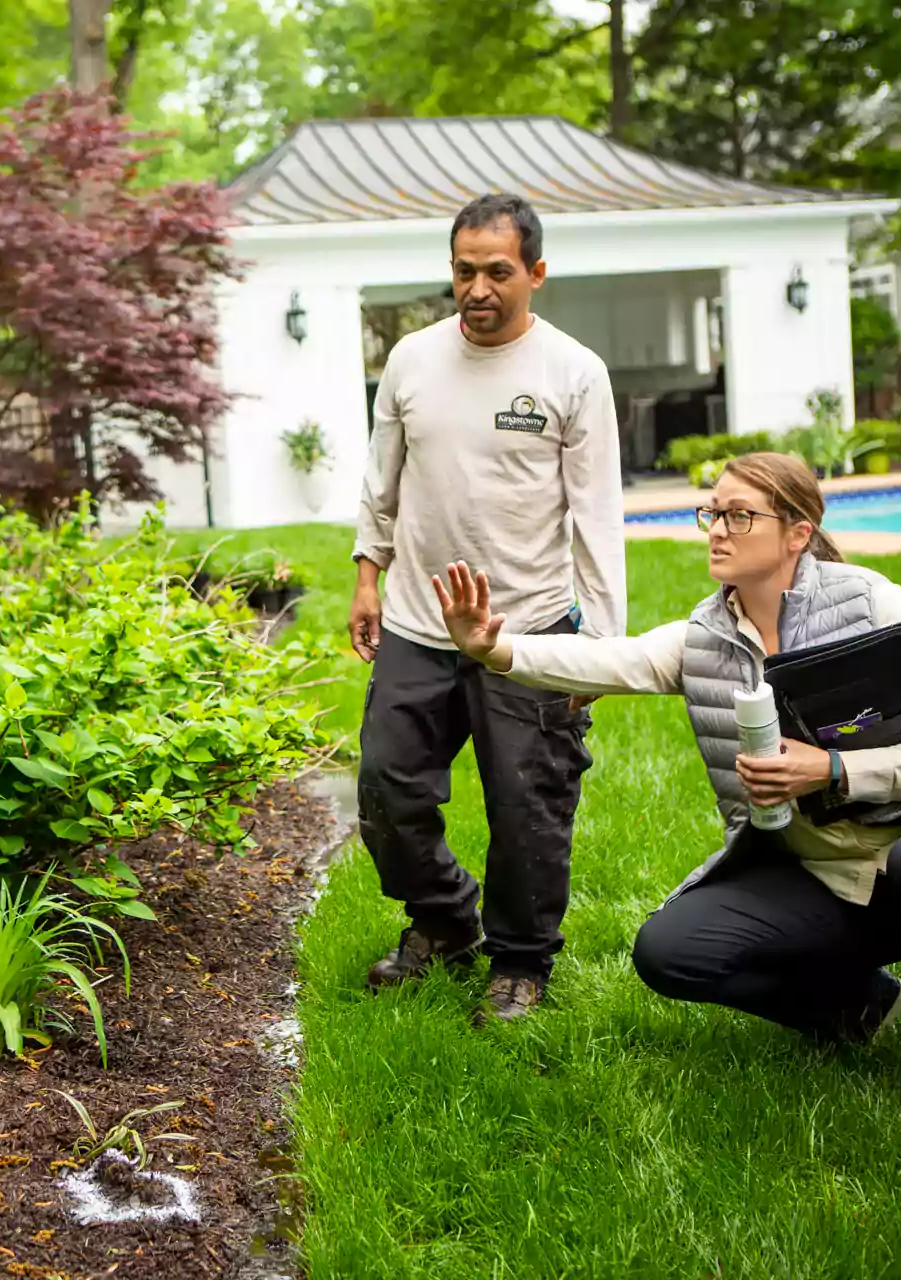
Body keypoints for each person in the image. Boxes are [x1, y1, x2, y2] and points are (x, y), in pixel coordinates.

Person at [432, 452, 901, 1123]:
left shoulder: (874, 605)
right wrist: (494, 648)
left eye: (739, 515)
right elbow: (616, 658)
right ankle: (857, 1005)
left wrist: (835, 771)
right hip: (830, 876)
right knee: (671, 951)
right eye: (711, 512)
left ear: (797, 532)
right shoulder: (707, 638)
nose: (716, 528)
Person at [352, 192, 625, 1021]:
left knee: (527, 808)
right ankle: (442, 921)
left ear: (535, 274)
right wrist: (368, 571)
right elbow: (381, 479)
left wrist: (601, 648)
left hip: (529, 631)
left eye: (497, 272)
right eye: (464, 270)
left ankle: (521, 963)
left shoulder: (574, 373)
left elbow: (597, 517)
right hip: (417, 622)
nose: (477, 288)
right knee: (385, 788)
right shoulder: (411, 359)